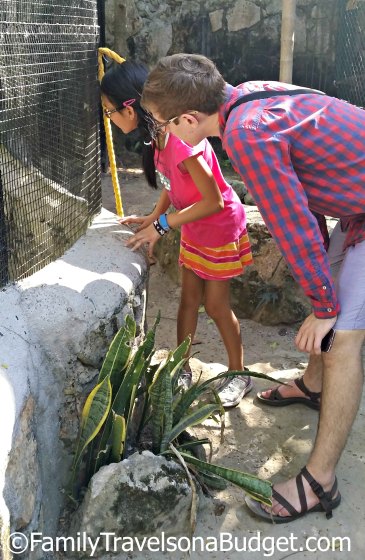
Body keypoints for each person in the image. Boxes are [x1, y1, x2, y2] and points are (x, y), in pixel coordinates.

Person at [140, 53, 365, 522]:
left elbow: (291, 222)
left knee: (341, 336)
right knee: (328, 304)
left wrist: (325, 304)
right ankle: (313, 384)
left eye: (162, 122)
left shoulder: (246, 135)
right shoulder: (246, 97)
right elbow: (306, 205)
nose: (162, 131)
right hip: (355, 204)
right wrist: (325, 283)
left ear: (187, 118)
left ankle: (319, 482)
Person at [100, 60, 254, 407]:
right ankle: (181, 368)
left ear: (129, 106)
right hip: (195, 227)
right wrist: (154, 214)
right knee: (187, 300)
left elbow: (213, 200)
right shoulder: (157, 138)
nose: (109, 119)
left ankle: (238, 373)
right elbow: (173, 182)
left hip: (219, 228)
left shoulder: (183, 142)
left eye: (110, 112)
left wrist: (162, 225)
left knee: (215, 307)